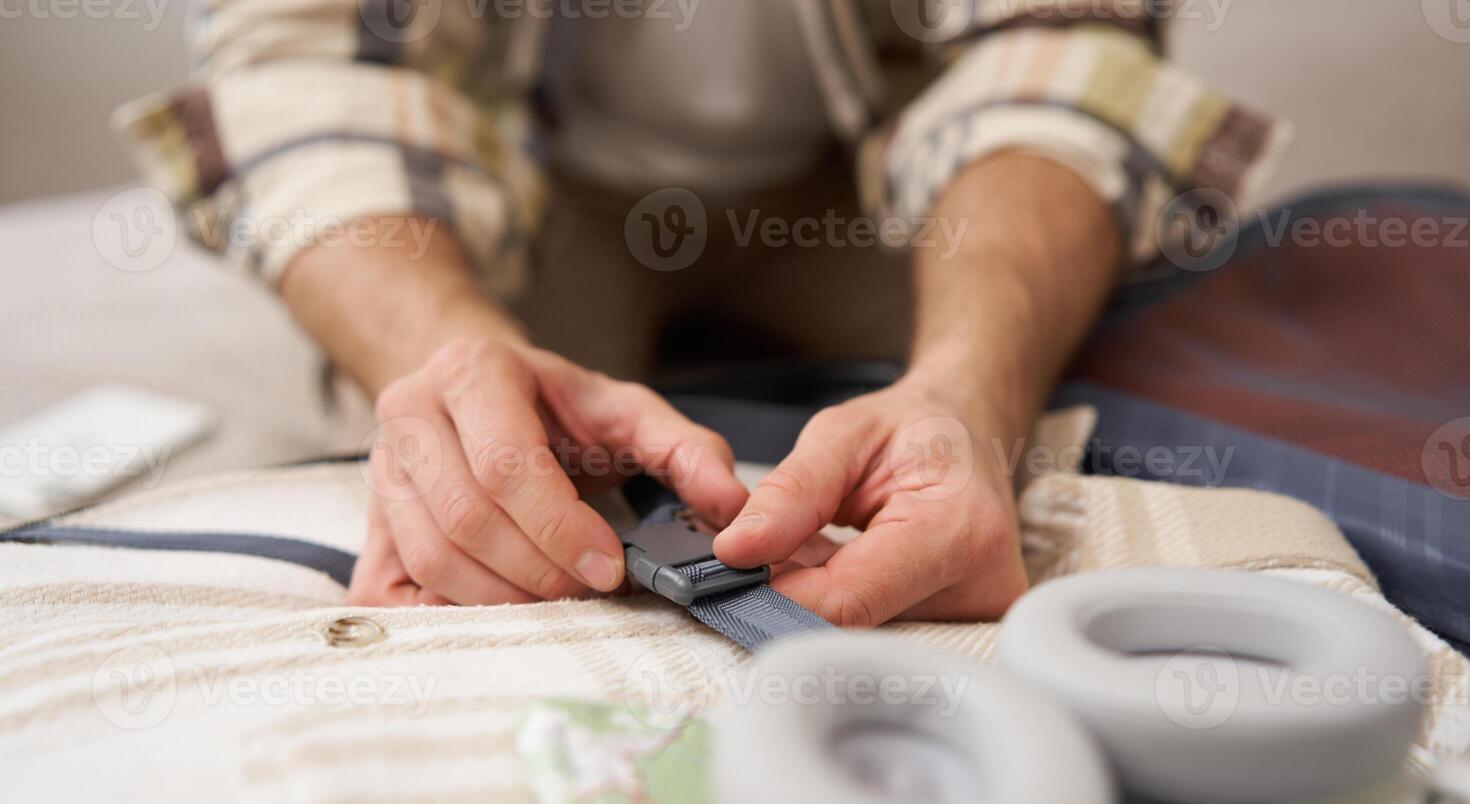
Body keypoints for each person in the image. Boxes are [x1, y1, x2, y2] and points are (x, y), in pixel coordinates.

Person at [116, 0, 1281, 624]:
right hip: (535, 187)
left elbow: (1056, 39)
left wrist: (967, 390)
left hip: (877, 173)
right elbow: (308, 75)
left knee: (1108, 388)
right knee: (475, 479)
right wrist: (448, 357)